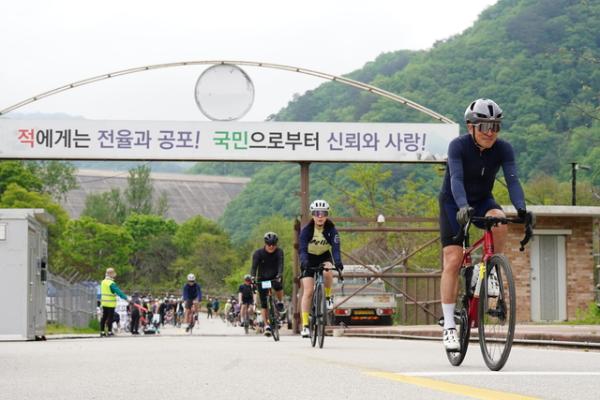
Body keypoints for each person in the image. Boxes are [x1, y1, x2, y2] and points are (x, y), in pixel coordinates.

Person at [439, 98, 533, 351]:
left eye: (496, 126)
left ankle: (489, 269)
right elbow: (456, 179)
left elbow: (512, 180)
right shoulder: (458, 146)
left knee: (499, 220)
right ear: (470, 127)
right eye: (484, 126)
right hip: (453, 202)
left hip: (482, 200)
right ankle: (449, 325)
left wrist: (522, 208)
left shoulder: (503, 149)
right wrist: (462, 206)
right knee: (453, 259)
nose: (490, 132)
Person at [298, 200, 344, 338]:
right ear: (312, 215)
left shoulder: (331, 230)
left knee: (328, 271)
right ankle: (305, 325)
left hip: (324, 256)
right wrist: (304, 262)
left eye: (323, 213)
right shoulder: (306, 230)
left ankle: (328, 297)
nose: (320, 216)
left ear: (326, 215)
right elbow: (302, 249)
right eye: (317, 213)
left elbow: (335, 248)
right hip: (309, 258)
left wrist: (338, 262)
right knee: (308, 291)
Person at [250, 231, 285, 337]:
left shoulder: (279, 252)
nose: (271, 246)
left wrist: (279, 274)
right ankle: (266, 326)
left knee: (278, 286)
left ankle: (280, 301)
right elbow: (254, 267)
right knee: (264, 303)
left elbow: (280, 264)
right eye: (269, 244)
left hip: (275, 276)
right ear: (265, 243)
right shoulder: (258, 253)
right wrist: (252, 277)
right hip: (262, 278)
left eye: (273, 244)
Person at [99, 267, 130, 337]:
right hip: (110, 303)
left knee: (104, 317)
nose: (114, 275)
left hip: (104, 302)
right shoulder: (111, 283)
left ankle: (102, 331)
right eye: (113, 273)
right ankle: (109, 331)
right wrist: (125, 298)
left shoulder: (103, 282)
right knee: (110, 317)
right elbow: (118, 291)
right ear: (111, 274)